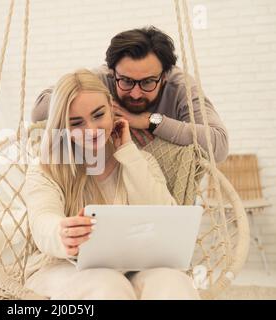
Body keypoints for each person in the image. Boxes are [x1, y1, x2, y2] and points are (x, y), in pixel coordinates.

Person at [23, 69, 200, 300]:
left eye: (98, 115)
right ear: (62, 127)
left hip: (134, 266)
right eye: (77, 123)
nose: (92, 130)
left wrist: (127, 153)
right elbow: (42, 219)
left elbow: (164, 213)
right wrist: (62, 233)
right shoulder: (47, 168)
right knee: (107, 286)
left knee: (174, 283)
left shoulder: (139, 160)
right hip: (63, 266)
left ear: (111, 107)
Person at [31, 26, 228, 162]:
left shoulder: (180, 86)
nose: (135, 94)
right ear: (112, 72)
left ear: (165, 76)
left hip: (168, 197)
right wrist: (100, 107)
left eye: (148, 82)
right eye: (126, 81)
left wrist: (149, 121)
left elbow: (218, 144)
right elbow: (39, 111)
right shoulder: (102, 78)